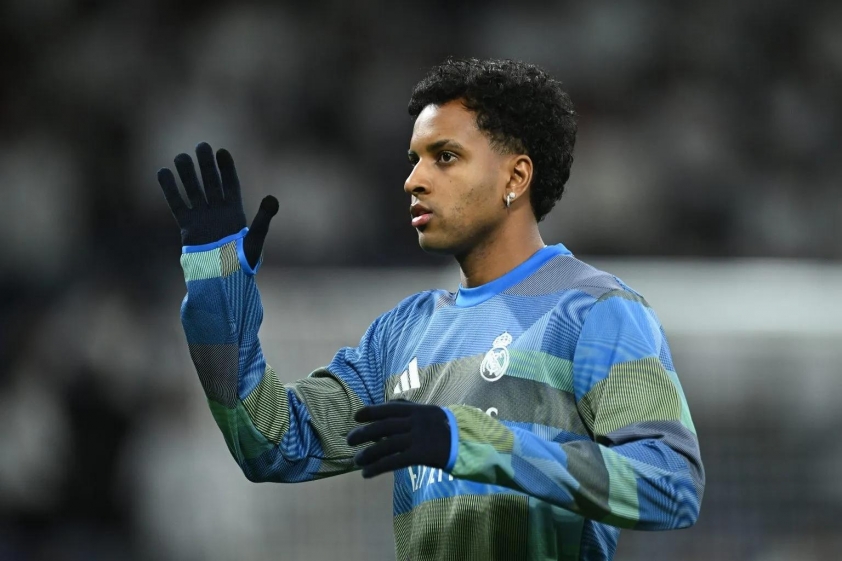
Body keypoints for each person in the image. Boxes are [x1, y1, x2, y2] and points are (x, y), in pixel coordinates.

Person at [157, 58, 704, 561]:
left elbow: (672, 485)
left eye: (445, 157)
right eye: (414, 160)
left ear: (515, 178)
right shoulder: (403, 332)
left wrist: (472, 441)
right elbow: (273, 445)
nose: (413, 180)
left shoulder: (596, 312)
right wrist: (217, 288)